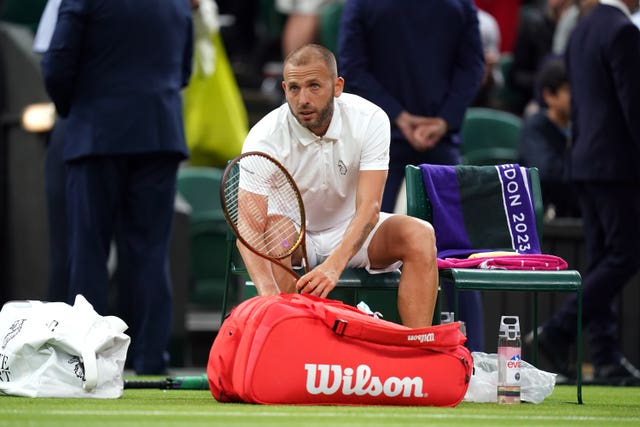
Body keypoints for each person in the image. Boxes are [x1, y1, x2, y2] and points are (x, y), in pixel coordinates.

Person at [41, 0, 193, 375]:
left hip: (96, 132)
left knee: (89, 250)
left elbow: (57, 64)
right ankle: (150, 357)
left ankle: (88, 360)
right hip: (158, 132)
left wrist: (74, 109)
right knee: (152, 252)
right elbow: (184, 70)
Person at [238, 44, 438, 328]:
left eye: (314, 86)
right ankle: (289, 340)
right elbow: (249, 230)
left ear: (337, 86)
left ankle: (418, 353)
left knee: (420, 235)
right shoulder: (264, 137)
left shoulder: (370, 119)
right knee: (275, 232)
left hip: (353, 230)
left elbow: (369, 208)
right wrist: (268, 295)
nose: (303, 99)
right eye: (294, 88)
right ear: (284, 90)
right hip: (294, 239)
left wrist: (334, 265)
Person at [337, 0, 485, 350]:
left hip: (379, 134)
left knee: (359, 242)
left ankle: (357, 346)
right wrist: (442, 120)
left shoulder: (362, 5)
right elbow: (472, 67)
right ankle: (473, 354)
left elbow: (353, 67)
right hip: (433, 136)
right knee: (459, 255)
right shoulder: (461, 5)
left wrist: (398, 117)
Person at [533, 0, 640, 385]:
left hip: (584, 160)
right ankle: (558, 329)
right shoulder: (623, 30)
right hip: (617, 166)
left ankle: (606, 355)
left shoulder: (582, 27)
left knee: (601, 260)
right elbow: (634, 105)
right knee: (626, 254)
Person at [518, 59, 579, 219]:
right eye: (568, 90)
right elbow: (545, 173)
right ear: (548, 95)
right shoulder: (535, 127)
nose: (575, 96)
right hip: (542, 217)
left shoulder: (583, 126)